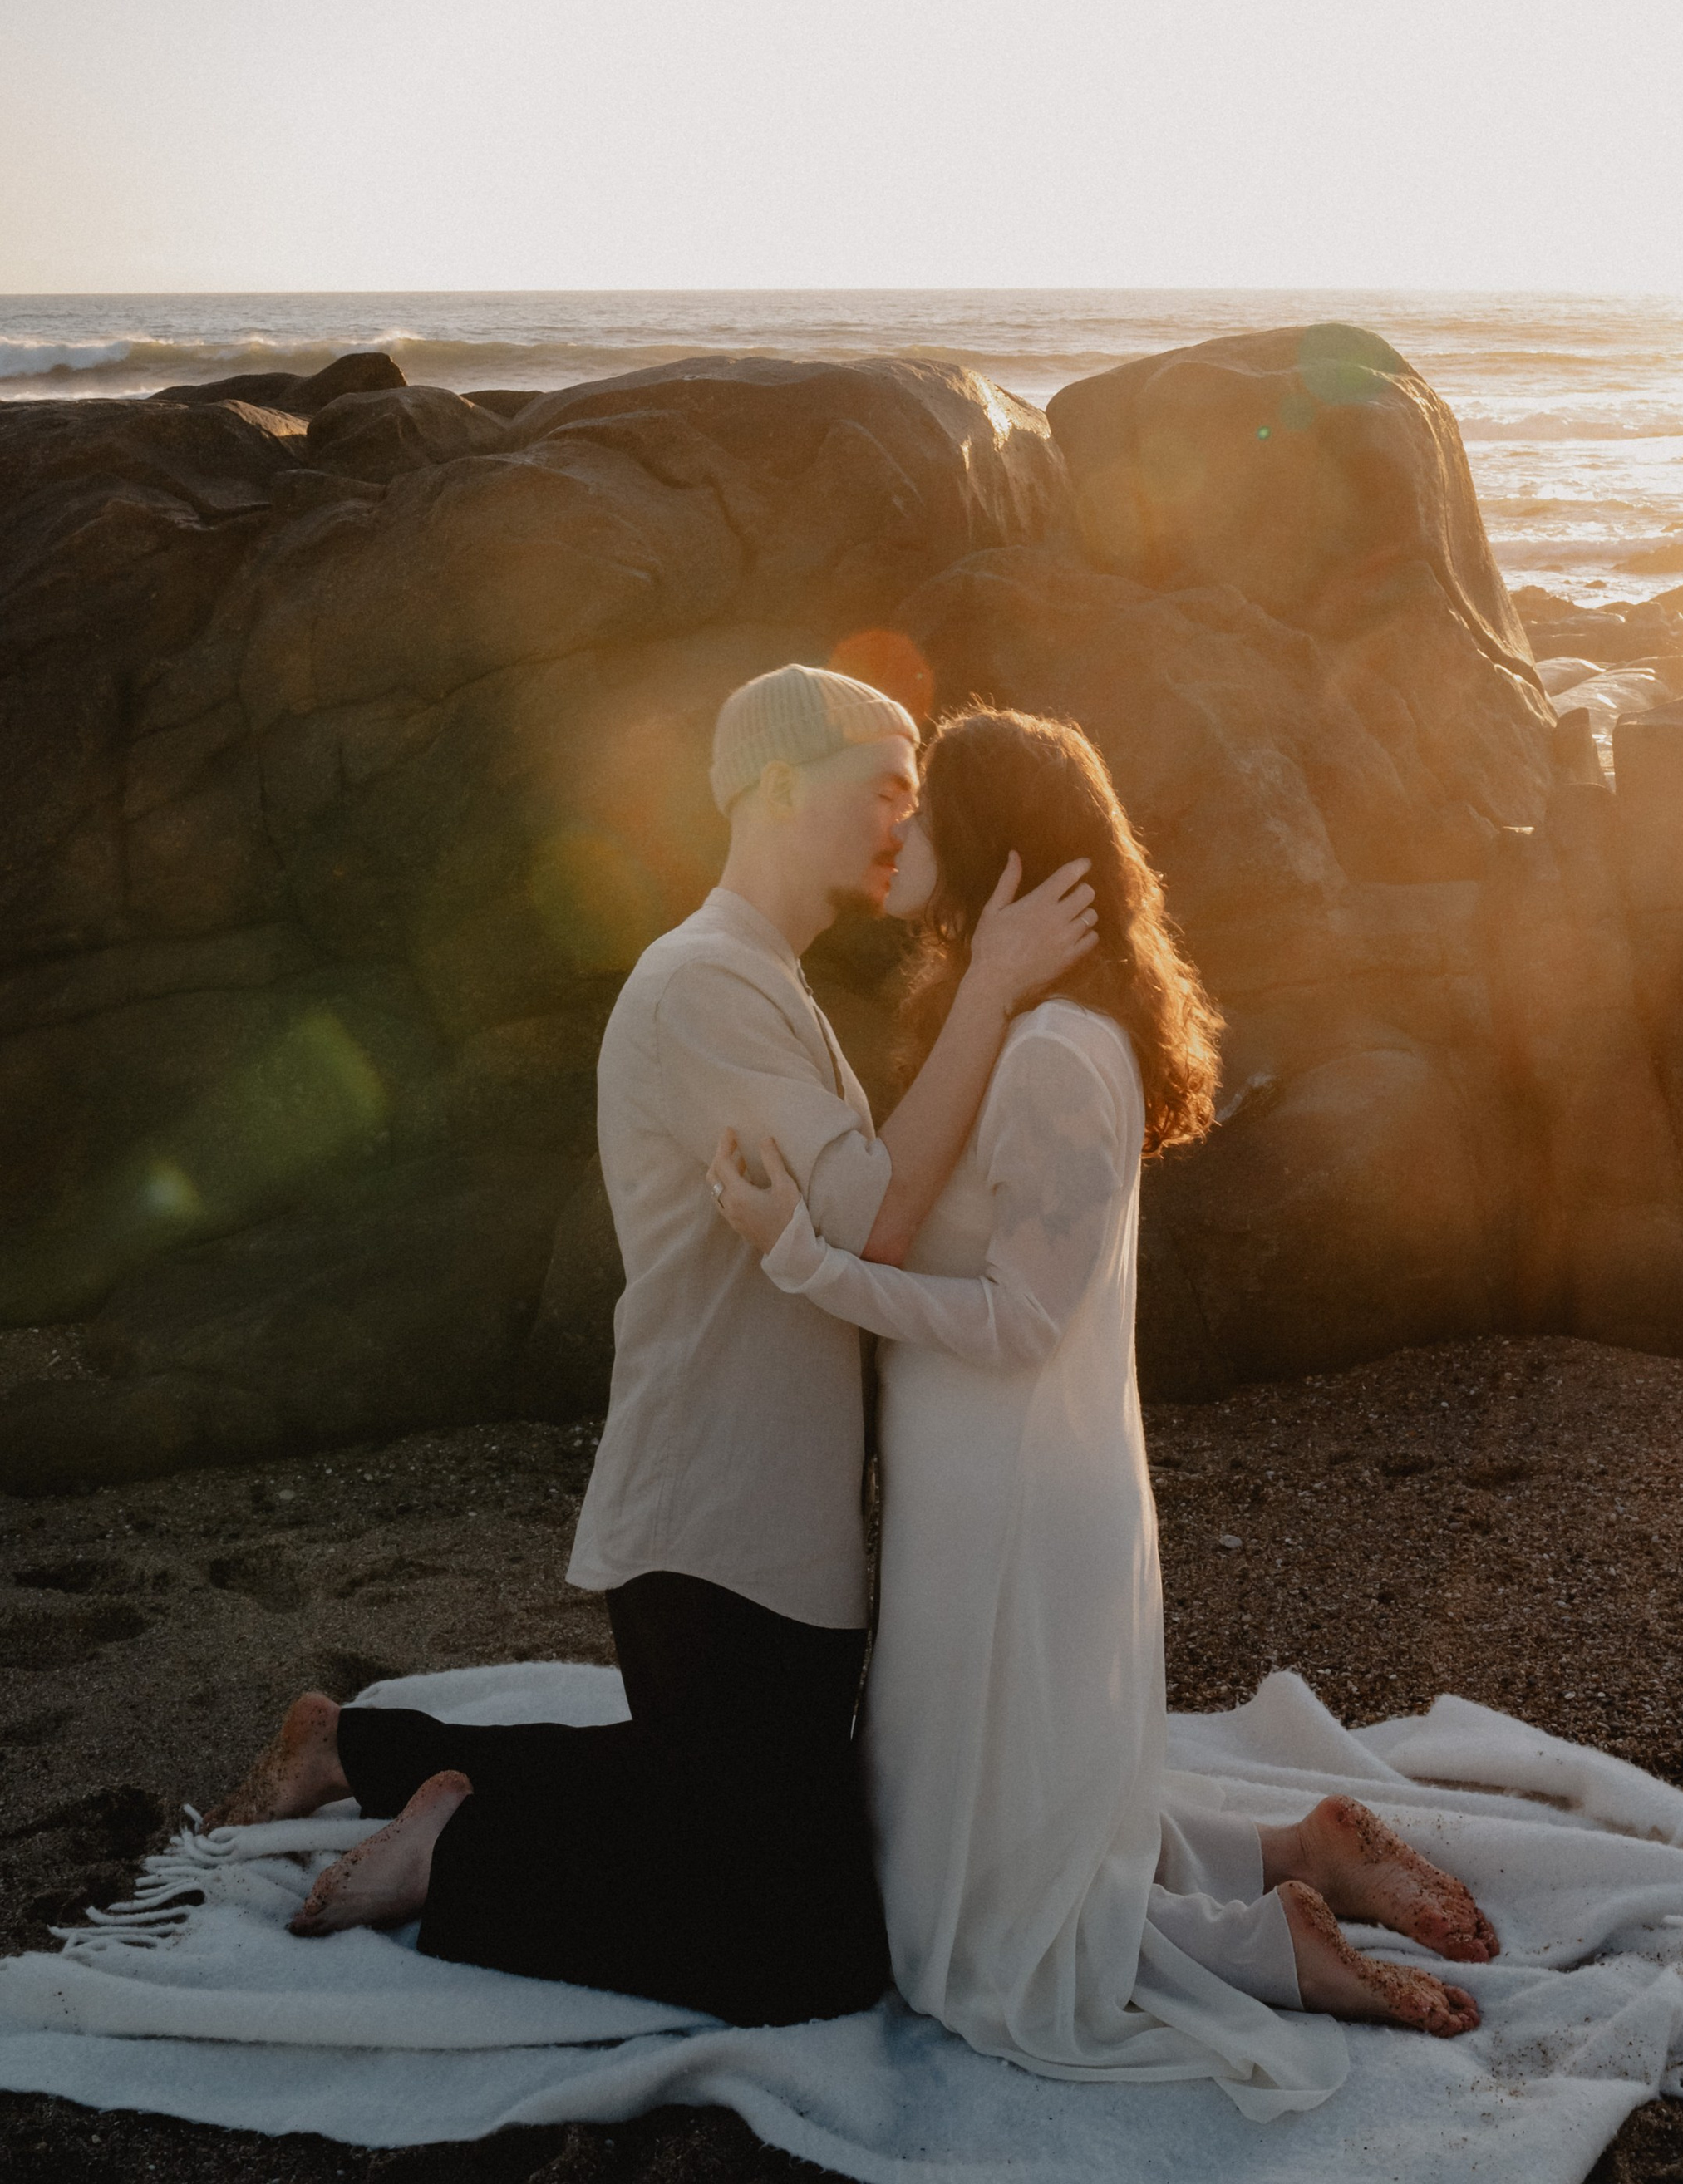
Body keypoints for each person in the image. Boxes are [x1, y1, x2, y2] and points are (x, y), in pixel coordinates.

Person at [210, 662, 1098, 2024]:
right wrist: (989, 988)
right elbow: (867, 1217)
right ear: (781, 790)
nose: (902, 826)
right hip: (719, 1510)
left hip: (780, 1512)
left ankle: (361, 1749)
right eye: (885, 790)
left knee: (719, 1807)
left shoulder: (767, 983)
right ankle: (457, 1856)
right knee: (803, 1952)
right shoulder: (704, 989)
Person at [713, 706, 1495, 2114]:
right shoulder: (1023, 1027)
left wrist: (810, 1264)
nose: (901, 834)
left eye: (926, 813)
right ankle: (1294, 1853)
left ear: (994, 854)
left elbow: (1021, 1323)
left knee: (979, 1945)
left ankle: (1270, 1945)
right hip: (984, 1488)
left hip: (1009, 1502)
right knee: (997, 1836)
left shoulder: (1057, 1057)